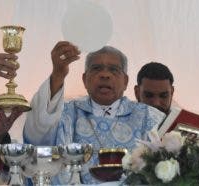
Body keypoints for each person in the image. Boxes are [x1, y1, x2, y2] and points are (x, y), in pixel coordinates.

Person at [23, 41, 165, 184]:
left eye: (114, 69)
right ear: (84, 80)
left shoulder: (149, 117)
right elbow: (38, 132)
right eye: (97, 68)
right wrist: (58, 75)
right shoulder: (65, 113)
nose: (105, 75)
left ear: (125, 81)